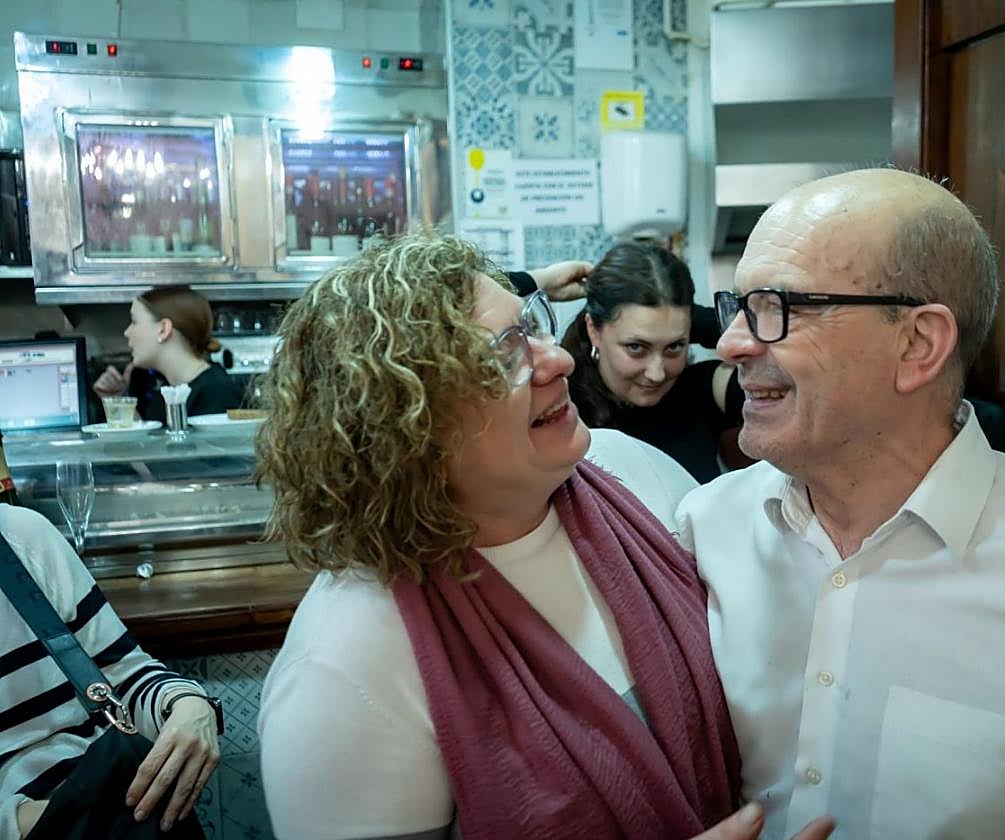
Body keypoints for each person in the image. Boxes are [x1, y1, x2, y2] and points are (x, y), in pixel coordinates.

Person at [677, 168, 1005, 839]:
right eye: (738, 306)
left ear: (918, 344)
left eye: (780, 306)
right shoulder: (701, 532)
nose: (732, 343)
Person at [255, 234, 749, 839]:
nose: (557, 360)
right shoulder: (343, 672)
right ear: (407, 422)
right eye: (503, 356)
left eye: (533, 329)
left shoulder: (632, 471)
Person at [0, 503, 221, 838]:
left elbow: (122, 680)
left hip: (112, 802)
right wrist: (32, 820)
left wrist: (188, 704)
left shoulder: (21, 537)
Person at [559, 242, 746, 482]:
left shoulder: (701, 389)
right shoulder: (558, 405)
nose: (656, 374)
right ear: (593, 330)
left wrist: (690, 320)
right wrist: (534, 281)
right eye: (636, 347)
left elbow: (790, 366)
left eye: (674, 347)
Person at [92, 285, 244, 424]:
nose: (127, 332)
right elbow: (151, 447)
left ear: (164, 329)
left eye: (134, 322)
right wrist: (118, 401)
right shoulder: (168, 393)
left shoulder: (216, 393)